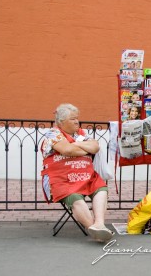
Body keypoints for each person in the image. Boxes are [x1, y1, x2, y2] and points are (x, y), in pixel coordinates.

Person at [41, 103, 113, 242]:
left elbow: (95, 146)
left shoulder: (80, 134)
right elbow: (67, 150)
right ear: (61, 122)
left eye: (77, 118)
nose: (77, 121)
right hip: (61, 179)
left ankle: (99, 224)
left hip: (86, 175)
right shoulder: (53, 134)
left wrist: (75, 144)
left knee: (101, 189)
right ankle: (93, 229)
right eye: (72, 119)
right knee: (74, 197)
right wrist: (83, 148)